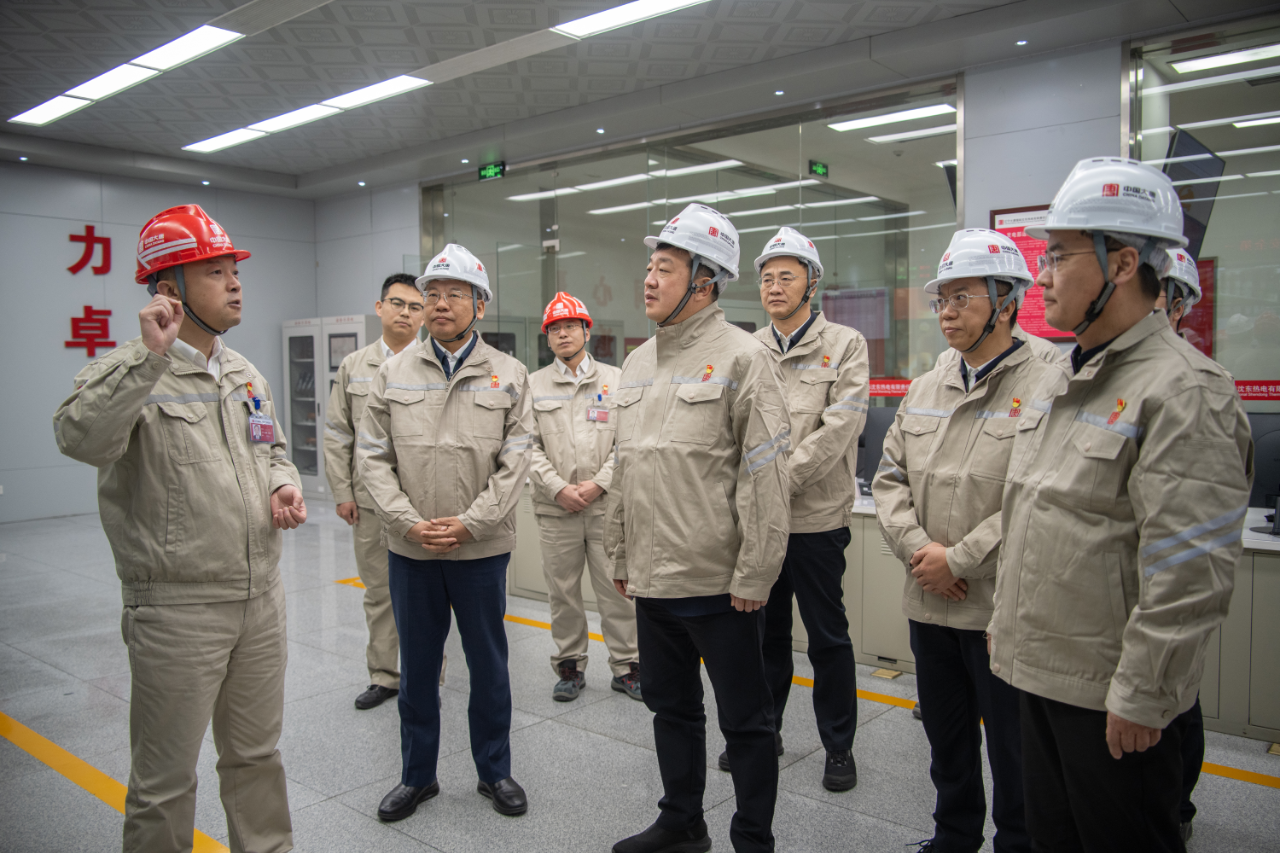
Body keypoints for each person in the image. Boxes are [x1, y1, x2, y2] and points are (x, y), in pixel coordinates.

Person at [988, 157, 1254, 853]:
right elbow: (1038, 518)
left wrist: (1144, 692)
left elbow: (1189, 570)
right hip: (1041, 673)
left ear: (1124, 262)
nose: (1043, 276)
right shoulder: (1064, 376)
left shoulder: (1183, 390)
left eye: (1059, 256)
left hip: (1110, 698)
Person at [53, 204, 306, 853]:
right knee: (164, 782)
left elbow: (271, 446)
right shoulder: (133, 371)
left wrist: (282, 482)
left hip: (261, 598)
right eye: (215, 272)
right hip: (177, 609)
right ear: (169, 289)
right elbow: (80, 437)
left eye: (234, 270)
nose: (235, 283)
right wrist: (148, 357)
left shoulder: (244, 372)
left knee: (257, 757)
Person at [607, 204, 792, 853]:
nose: (649, 279)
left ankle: (753, 839)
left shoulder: (746, 357)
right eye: (650, 267)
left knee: (746, 721)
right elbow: (625, 467)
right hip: (653, 578)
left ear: (705, 281)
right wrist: (621, 553)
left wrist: (756, 573)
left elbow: (767, 474)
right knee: (670, 706)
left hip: (720, 584)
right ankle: (682, 823)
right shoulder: (636, 364)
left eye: (665, 268)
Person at [876, 228, 1065, 853]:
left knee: (1015, 751)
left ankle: (1017, 843)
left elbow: (1040, 492)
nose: (947, 313)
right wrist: (920, 554)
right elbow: (889, 477)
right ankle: (953, 836)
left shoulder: (1051, 381)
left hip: (1000, 611)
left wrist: (958, 559)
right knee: (947, 742)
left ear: (1006, 301)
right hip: (929, 602)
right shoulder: (927, 385)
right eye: (942, 300)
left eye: (963, 298)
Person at [358, 243, 533, 821]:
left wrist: (470, 524)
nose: (439, 304)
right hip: (411, 551)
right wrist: (407, 523)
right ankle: (417, 777)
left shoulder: (509, 374)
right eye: (431, 294)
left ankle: (494, 771)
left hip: (481, 550)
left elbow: (516, 462)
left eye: (454, 294)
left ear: (480, 305)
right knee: (417, 669)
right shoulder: (392, 372)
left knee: (489, 666)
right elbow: (372, 458)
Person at [718, 227, 867, 792]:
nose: (774, 286)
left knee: (828, 637)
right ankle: (766, 732)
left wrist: (775, 483)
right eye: (766, 278)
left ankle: (839, 745)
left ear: (812, 283)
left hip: (815, 520)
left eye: (787, 276)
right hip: (758, 524)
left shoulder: (845, 344)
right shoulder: (746, 347)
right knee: (763, 635)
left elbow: (839, 428)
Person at [528, 292, 640, 702]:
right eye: (555, 329)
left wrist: (600, 483)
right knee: (562, 593)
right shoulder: (533, 385)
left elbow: (628, 440)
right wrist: (557, 488)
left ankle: (627, 666)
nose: (563, 334)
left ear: (587, 332)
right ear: (547, 337)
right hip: (556, 509)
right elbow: (525, 445)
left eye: (571, 327)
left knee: (617, 591)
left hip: (606, 507)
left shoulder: (616, 379)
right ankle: (569, 666)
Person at [324, 273, 427, 710]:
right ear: (379, 307)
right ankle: (385, 675)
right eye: (397, 303)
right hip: (370, 503)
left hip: (424, 503)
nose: (406, 313)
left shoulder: (434, 363)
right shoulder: (355, 366)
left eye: (415, 307)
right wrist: (342, 491)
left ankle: (427, 675)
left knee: (425, 596)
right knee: (380, 592)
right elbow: (337, 433)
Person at [1154, 247, 1207, 842]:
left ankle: (1178, 811)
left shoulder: (1196, 387)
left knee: (1175, 705)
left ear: (1179, 307)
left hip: (1164, 593)